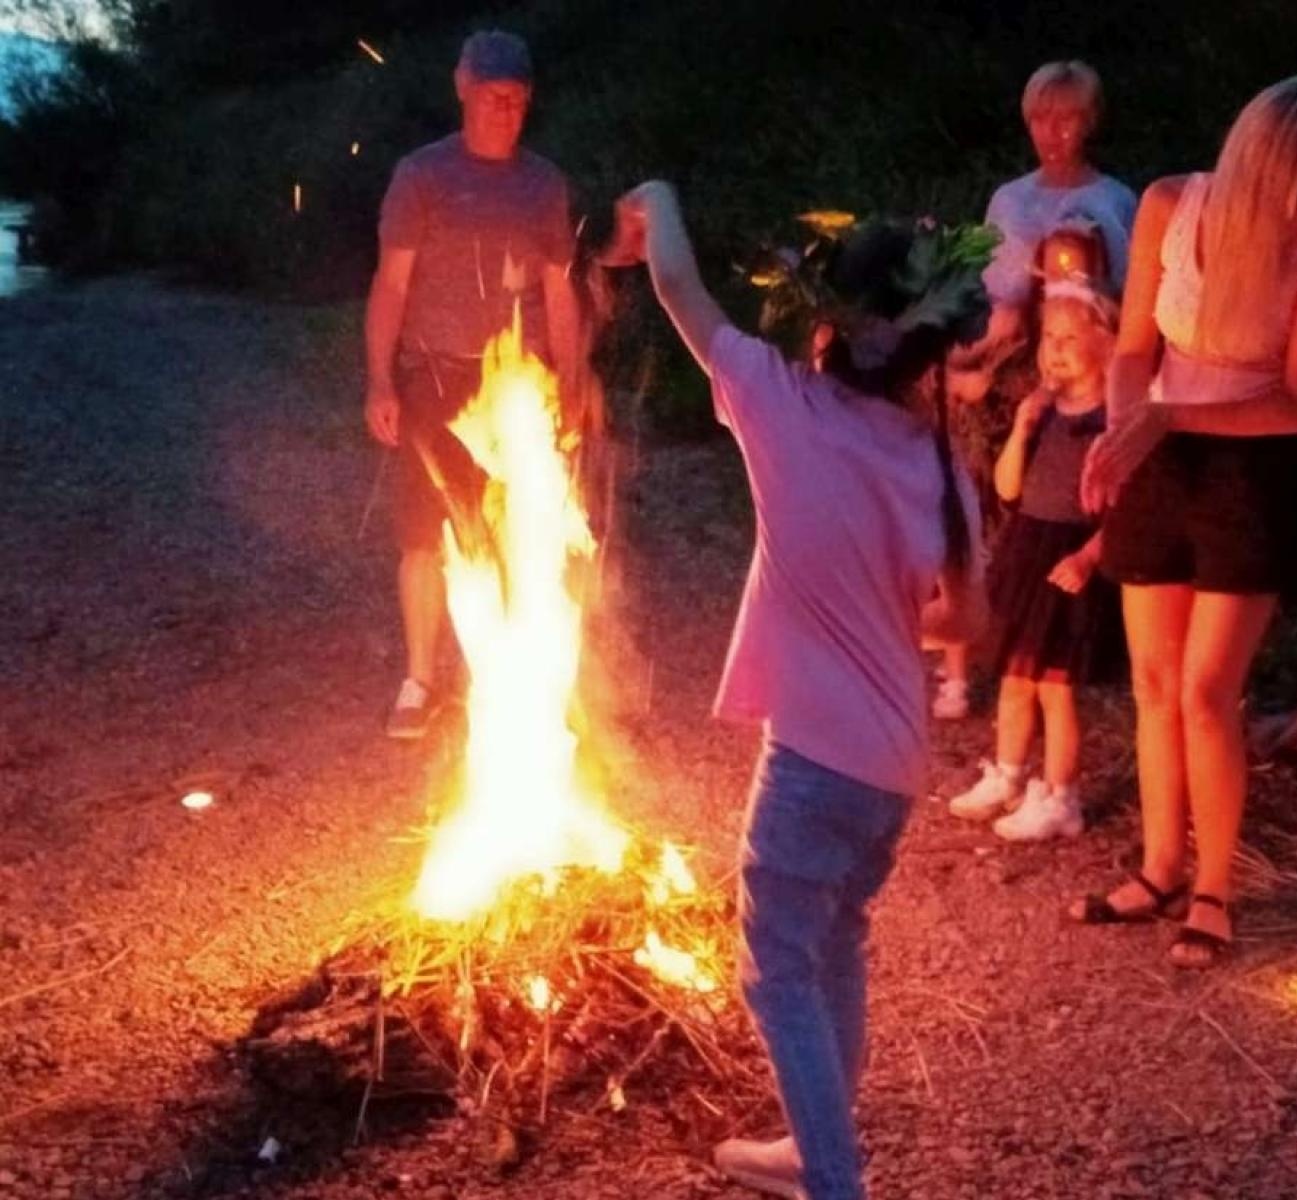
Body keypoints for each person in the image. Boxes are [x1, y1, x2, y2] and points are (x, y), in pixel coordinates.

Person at [608, 185, 989, 1199]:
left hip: (815, 760)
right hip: (894, 765)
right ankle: (806, 1151)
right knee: (835, 942)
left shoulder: (783, 406)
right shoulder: (942, 465)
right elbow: (963, 625)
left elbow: (684, 295)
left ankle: (831, 1180)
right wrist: (879, 592)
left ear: (825, 325)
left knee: (776, 966)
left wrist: (659, 205)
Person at [1072, 73, 1297, 967]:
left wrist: (1167, 416)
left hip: (1253, 466)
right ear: (1260, 166)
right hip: (1160, 454)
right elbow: (1131, 352)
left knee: (1205, 692)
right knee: (1153, 682)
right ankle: (1160, 867)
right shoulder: (1170, 205)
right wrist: (1125, 431)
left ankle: (1214, 886)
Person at [363, 29, 583, 739]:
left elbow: (559, 294)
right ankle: (419, 679)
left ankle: (523, 678)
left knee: (525, 530)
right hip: (434, 378)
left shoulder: (544, 185)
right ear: (462, 86)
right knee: (426, 534)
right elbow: (391, 285)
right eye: (493, 96)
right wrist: (379, 381)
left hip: (523, 391)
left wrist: (574, 380)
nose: (506, 110)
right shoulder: (422, 176)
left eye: (517, 99)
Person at [934, 59, 1135, 720]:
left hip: (1073, 380)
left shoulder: (1114, 202)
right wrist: (959, 365)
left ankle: (1043, 657)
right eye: (1042, 116)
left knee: (1040, 523)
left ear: (1091, 120)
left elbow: (1122, 307)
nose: (1054, 130)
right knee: (967, 511)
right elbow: (992, 301)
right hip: (1006, 367)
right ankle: (959, 668)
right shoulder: (1009, 200)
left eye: (1069, 115)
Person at [946, 226, 1122, 841]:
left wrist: (1091, 556)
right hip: (1029, 548)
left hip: (1069, 559)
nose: (1056, 351)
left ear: (1107, 345)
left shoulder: (1112, 423)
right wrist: (1020, 431)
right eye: (1050, 339)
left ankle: (1060, 796)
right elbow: (1008, 490)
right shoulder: (1042, 412)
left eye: (1072, 340)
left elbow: (1125, 507)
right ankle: (1009, 773)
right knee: (1016, 677)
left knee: (1055, 687)